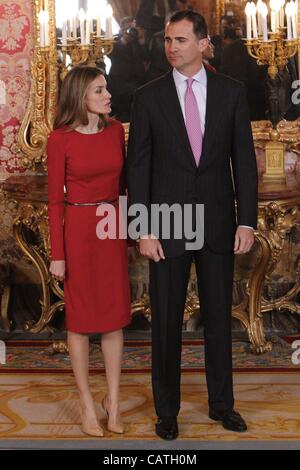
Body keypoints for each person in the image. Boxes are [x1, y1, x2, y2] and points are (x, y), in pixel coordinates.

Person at [127, 11, 258, 440]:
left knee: (219, 320)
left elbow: (245, 162)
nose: (171, 47)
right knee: (165, 322)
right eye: (168, 40)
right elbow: (138, 169)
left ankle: (223, 405)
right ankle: (167, 410)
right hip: (166, 226)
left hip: (220, 222)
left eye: (180, 40)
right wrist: (143, 229)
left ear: (203, 43)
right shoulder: (148, 97)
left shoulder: (232, 92)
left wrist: (247, 222)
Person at [47, 66, 133, 437]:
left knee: (114, 318)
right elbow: (53, 203)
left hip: (111, 227)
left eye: (107, 88)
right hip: (79, 233)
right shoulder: (59, 139)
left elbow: (126, 186)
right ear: (80, 96)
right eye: (99, 90)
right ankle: (86, 403)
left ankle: (111, 403)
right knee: (80, 322)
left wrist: (130, 234)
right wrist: (58, 253)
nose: (108, 94)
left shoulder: (115, 131)